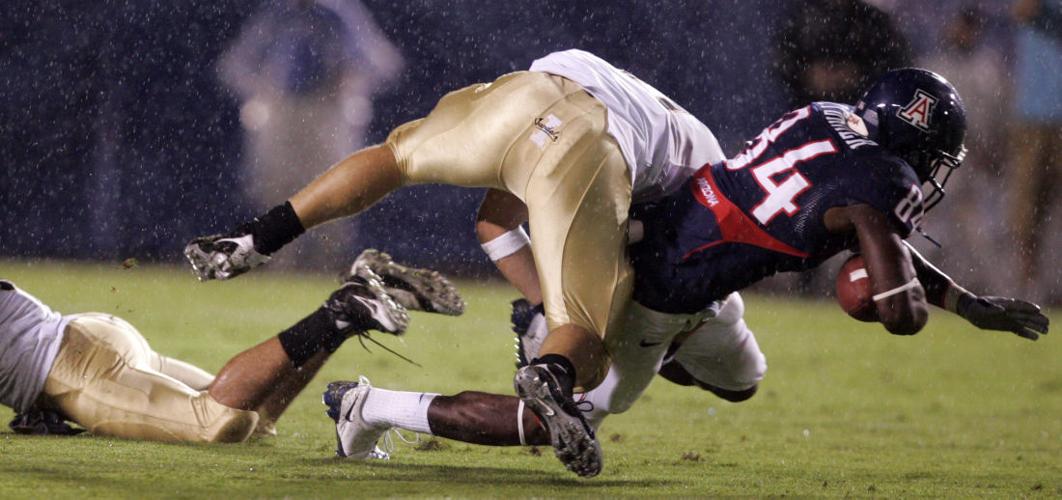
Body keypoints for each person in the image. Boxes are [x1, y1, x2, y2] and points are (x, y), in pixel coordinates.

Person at [323, 68, 1049, 475]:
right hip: (663, 290)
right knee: (546, 423)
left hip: (694, 256)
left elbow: (869, 228)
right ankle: (368, 405)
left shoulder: (829, 117)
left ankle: (556, 328)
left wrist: (969, 304)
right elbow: (896, 307)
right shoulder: (882, 182)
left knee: (743, 379)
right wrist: (898, 295)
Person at [184, 49, 726, 476]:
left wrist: (544, 301)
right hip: (595, 144)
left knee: (397, 155)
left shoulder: (650, 106)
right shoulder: (710, 180)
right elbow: (671, 271)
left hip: (530, 93)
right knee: (587, 344)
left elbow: (496, 220)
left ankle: (258, 236)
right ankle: (553, 373)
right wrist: (564, 320)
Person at [1, 251, 461, 443]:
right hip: (88, 335)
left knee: (214, 423)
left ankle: (337, 312)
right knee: (253, 421)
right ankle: (346, 315)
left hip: (72, 365)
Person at [217, 0, 403, 270]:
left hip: (327, 109)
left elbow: (380, 63)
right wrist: (262, 90)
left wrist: (352, 83)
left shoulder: (338, 14)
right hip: (283, 108)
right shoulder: (278, 14)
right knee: (277, 184)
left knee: (333, 186)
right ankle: (281, 263)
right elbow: (235, 64)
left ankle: (327, 262)